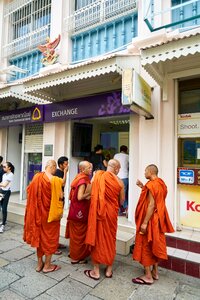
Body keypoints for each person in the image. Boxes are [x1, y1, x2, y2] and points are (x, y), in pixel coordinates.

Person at [132, 164, 174, 285]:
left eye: (145, 171)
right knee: (154, 244)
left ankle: (148, 276)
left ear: (150, 172)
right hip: (158, 219)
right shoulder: (161, 183)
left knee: (145, 244)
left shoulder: (152, 185)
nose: (144, 173)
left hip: (150, 219)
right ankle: (155, 272)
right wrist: (142, 187)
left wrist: (144, 223)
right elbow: (156, 197)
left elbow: (151, 204)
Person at [84, 159, 125, 280]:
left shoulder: (97, 176)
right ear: (116, 168)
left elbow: (89, 192)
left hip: (98, 213)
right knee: (110, 239)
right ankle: (109, 270)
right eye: (119, 169)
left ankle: (96, 271)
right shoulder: (120, 182)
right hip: (111, 213)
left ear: (108, 166)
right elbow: (121, 201)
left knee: (98, 238)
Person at [23, 160, 67, 273]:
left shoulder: (37, 177)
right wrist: (65, 172)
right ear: (51, 167)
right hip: (50, 216)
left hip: (38, 215)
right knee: (50, 239)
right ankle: (47, 266)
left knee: (40, 238)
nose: (55, 170)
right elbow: (62, 190)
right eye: (55, 167)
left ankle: (39, 264)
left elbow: (29, 191)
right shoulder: (54, 180)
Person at [65, 161, 92, 264]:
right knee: (79, 236)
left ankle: (73, 253)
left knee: (75, 235)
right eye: (89, 168)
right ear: (82, 169)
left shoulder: (78, 177)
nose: (90, 169)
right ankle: (75, 258)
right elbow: (80, 197)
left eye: (91, 167)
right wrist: (90, 193)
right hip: (80, 212)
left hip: (74, 209)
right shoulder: (83, 180)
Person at [54, 156, 69, 255]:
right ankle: (53, 246)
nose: (67, 166)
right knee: (54, 224)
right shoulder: (58, 173)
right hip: (57, 201)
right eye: (65, 164)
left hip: (61, 200)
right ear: (60, 165)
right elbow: (62, 184)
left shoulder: (60, 172)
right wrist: (65, 173)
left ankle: (56, 243)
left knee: (58, 222)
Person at [114, 145, 129, 217]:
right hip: (124, 177)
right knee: (124, 195)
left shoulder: (116, 155)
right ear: (126, 150)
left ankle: (119, 211)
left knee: (117, 194)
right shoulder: (127, 156)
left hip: (116, 177)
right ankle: (127, 209)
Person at [0, 162, 15, 233]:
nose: (3, 168)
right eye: (3, 167)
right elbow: (2, 184)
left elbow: (5, 185)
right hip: (1, 191)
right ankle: (3, 221)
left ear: (9, 168)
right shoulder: (4, 175)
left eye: (4, 167)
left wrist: (1, 184)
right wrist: (1, 185)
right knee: (0, 207)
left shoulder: (11, 175)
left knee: (4, 208)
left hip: (6, 193)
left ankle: (3, 225)